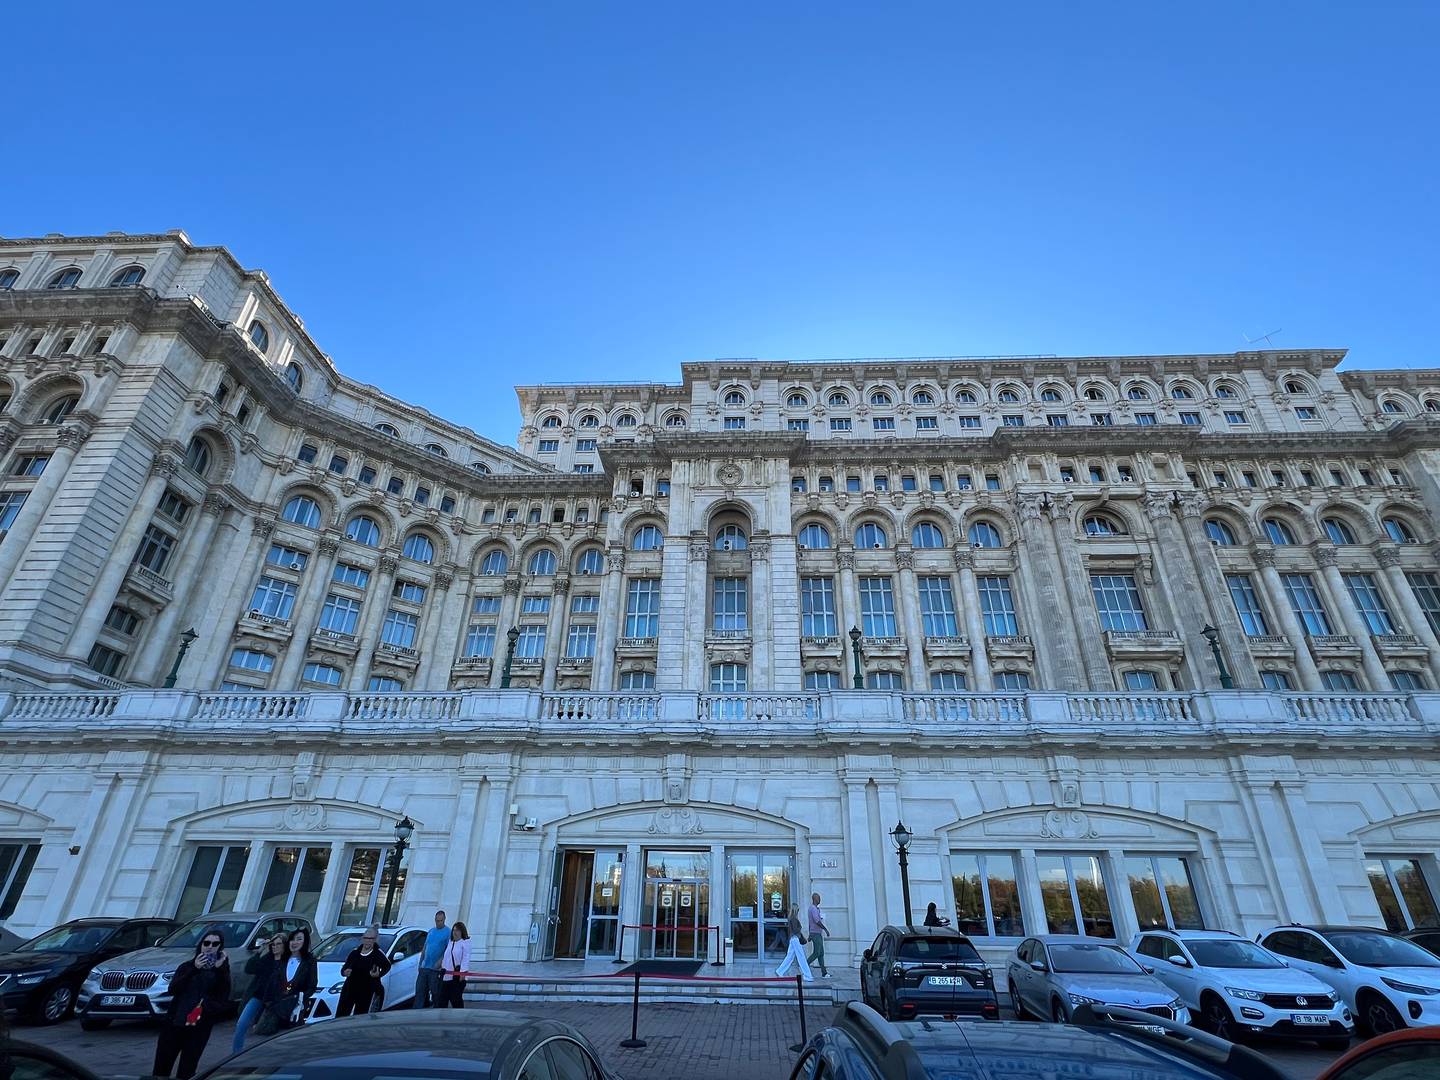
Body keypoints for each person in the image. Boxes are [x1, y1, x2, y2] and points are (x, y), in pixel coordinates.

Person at [152, 929, 231, 1079]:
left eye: (215, 944)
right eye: (206, 943)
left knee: (187, 1070)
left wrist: (220, 969)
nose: (210, 947)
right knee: (161, 1068)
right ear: (201, 945)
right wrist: (194, 968)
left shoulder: (220, 971)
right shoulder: (187, 966)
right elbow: (173, 989)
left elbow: (223, 996)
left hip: (199, 1027)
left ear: (220, 947)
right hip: (175, 1023)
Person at [233, 931, 286, 1053]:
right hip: (258, 996)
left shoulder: (287, 962)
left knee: (269, 1031)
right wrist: (259, 951)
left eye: (278, 944)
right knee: (241, 1024)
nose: (275, 947)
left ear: (284, 945)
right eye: (273, 944)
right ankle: (236, 1053)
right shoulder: (267, 959)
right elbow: (249, 968)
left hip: (274, 1000)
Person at [262, 928, 317, 1032]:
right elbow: (271, 985)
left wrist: (299, 998)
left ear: (305, 942)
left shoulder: (309, 961)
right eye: (292, 939)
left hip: (295, 1010)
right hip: (276, 1009)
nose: (294, 942)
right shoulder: (283, 959)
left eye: (299, 939)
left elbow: (312, 986)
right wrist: (268, 1004)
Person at [336, 926, 392, 1017]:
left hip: (367, 990)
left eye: (371, 939)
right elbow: (344, 968)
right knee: (341, 1016)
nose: (368, 941)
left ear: (375, 940)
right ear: (362, 938)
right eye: (366, 938)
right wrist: (344, 972)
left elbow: (387, 966)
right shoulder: (354, 953)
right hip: (350, 989)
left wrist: (378, 974)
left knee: (361, 1017)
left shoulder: (378, 954)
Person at [415, 909, 450, 1008]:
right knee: (419, 991)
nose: (439, 923)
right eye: (437, 921)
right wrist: (420, 963)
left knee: (435, 993)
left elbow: (448, 950)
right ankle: (417, 1011)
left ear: (444, 919)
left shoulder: (448, 932)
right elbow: (425, 948)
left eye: (441, 921)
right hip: (424, 967)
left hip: (435, 969)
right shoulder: (431, 931)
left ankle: (437, 1011)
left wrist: (439, 962)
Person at [774, 904, 813, 981]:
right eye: (798, 909)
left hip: (793, 939)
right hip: (795, 939)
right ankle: (808, 975)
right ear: (795, 910)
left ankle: (780, 971)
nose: (798, 911)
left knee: (790, 957)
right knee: (801, 957)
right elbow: (795, 930)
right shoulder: (794, 919)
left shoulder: (791, 918)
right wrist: (800, 927)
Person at [441, 921, 471, 1008]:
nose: (455, 932)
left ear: (462, 932)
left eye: (457, 930)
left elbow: (465, 959)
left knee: (456, 1000)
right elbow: (446, 957)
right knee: (442, 1001)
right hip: (446, 976)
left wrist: (462, 974)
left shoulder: (465, 943)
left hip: (457, 977)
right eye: (453, 930)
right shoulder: (450, 942)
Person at [805, 892, 830, 978]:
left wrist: (810, 934)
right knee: (816, 953)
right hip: (816, 934)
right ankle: (804, 966)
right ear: (815, 899)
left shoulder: (815, 909)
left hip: (816, 933)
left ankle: (824, 973)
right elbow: (817, 921)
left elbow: (810, 923)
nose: (820, 900)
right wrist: (825, 929)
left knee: (821, 953)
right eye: (818, 898)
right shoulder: (813, 909)